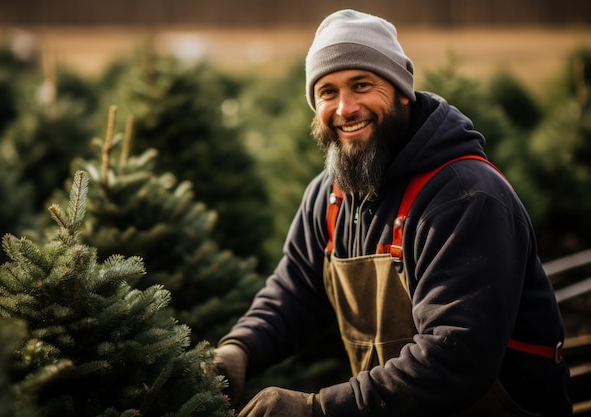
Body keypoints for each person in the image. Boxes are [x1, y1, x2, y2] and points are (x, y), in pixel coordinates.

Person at [213, 9, 572, 417]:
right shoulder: (327, 198)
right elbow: (294, 293)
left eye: (362, 85)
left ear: (402, 90)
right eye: (327, 92)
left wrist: (317, 409)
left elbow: (456, 357)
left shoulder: (464, 197)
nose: (345, 108)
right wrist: (238, 350)